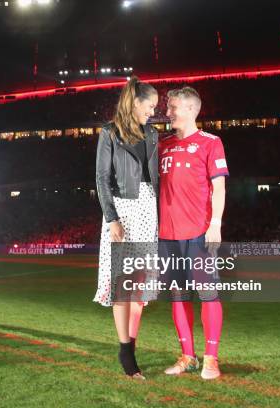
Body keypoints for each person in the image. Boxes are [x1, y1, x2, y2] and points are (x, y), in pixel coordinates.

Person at [158, 86, 228, 380]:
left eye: (172, 107)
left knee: (208, 293)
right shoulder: (161, 145)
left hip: (199, 232)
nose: (168, 112)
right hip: (167, 234)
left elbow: (220, 188)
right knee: (178, 295)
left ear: (190, 109)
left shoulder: (211, 143)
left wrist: (215, 225)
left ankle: (211, 358)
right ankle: (188, 356)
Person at [94, 76, 160, 379]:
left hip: (148, 209)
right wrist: (112, 219)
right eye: (150, 106)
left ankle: (131, 343)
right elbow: (101, 179)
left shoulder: (154, 134)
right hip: (121, 210)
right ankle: (125, 350)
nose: (153, 111)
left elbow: (156, 178)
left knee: (139, 287)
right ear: (135, 102)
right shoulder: (108, 133)